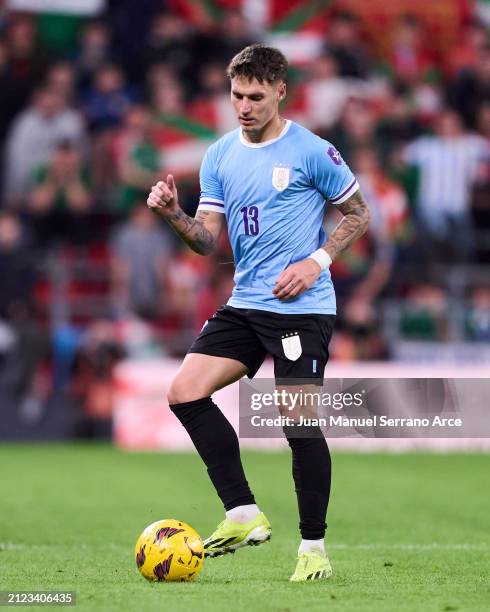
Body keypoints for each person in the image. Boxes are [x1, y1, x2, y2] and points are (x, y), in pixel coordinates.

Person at [147, 44, 369, 582]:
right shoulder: (220, 155)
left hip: (302, 309)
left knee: (297, 424)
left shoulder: (312, 150)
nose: (243, 106)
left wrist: (317, 262)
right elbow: (205, 241)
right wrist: (173, 213)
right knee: (184, 392)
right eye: (236, 96)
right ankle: (243, 513)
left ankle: (314, 549)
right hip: (246, 304)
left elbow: (358, 213)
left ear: (280, 92)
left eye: (254, 96)